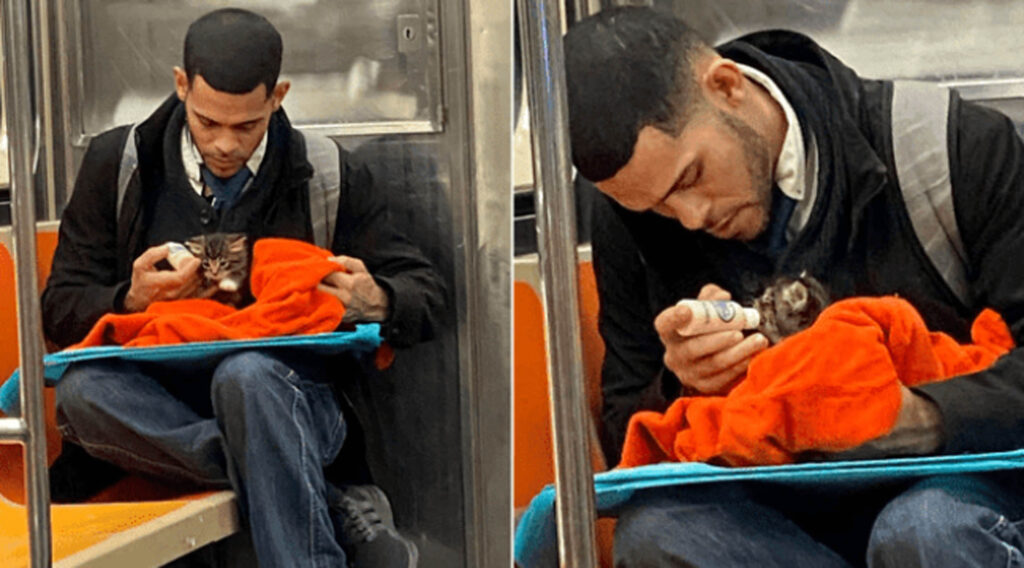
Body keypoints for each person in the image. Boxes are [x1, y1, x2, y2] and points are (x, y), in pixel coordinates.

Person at [564, 6, 1024, 567]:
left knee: (924, 528)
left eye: (691, 177)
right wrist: (684, 383)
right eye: (657, 205)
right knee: (656, 533)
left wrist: (921, 417)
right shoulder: (629, 226)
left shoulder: (952, 148)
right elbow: (626, 437)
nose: (689, 216)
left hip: (961, 476)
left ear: (727, 86)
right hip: (781, 513)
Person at [42, 8, 445, 567]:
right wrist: (129, 300)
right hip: (158, 406)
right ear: (181, 86)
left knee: (248, 376)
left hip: (290, 396)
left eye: (246, 126)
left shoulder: (327, 174)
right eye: (208, 123)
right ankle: (315, 494)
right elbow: (58, 308)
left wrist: (374, 299)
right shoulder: (119, 164)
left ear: (277, 96)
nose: (225, 145)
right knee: (82, 394)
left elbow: (425, 293)